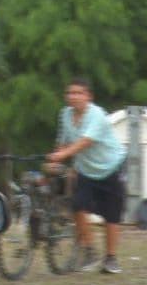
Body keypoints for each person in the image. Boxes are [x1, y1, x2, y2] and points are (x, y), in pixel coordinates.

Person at [47, 77, 127, 274]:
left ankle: (111, 258)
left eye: (78, 93)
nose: (73, 97)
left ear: (88, 96)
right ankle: (89, 250)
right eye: (70, 93)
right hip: (85, 169)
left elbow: (85, 141)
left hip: (110, 166)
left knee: (111, 214)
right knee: (77, 205)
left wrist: (64, 154)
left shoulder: (97, 115)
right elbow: (63, 141)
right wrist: (54, 159)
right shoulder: (65, 114)